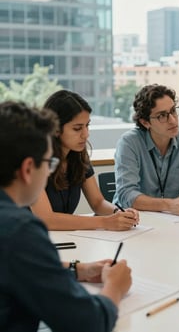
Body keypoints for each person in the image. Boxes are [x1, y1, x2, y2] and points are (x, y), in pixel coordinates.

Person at [0, 101, 132, 331]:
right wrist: (115, 286)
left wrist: (77, 269)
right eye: (48, 164)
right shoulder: (20, 230)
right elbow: (89, 323)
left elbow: (16, 268)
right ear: (28, 169)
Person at [31, 90, 139, 230]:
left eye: (87, 125)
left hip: (62, 239)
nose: (86, 134)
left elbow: (98, 203)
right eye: (77, 128)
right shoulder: (34, 161)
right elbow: (46, 219)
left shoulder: (78, 155)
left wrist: (119, 213)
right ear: (55, 129)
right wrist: (105, 222)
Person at [113, 84, 179, 216]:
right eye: (162, 116)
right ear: (145, 122)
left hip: (173, 219)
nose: (172, 120)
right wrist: (169, 205)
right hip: (134, 219)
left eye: (173, 111)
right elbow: (127, 195)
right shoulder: (129, 142)